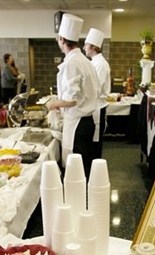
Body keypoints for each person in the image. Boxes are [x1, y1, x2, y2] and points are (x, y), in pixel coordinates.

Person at [47, 14, 99, 176]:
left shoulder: (72, 63)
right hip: (86, 122)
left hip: (78, 125)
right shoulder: (84, 61)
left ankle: (77, 199)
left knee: (76, 170)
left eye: (58, 38)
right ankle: (82, 198)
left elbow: (71, 100)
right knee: (83, 167)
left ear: (62, 39)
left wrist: (53, 104)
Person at [84, 28, 110, 159]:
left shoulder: (100, 64)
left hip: (98, 106)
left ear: (93, 46)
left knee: (96, 143)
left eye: (86, 45)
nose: (84, 48)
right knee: (92, 142)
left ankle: (95, 168)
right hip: (94, 105)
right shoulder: (94, 62)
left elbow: (96, 88)